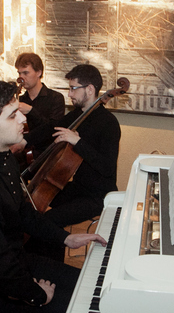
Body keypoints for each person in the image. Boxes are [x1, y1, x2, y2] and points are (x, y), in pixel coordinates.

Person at [0, 78, 106, 313]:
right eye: (12, 115)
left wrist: (66, 238)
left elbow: (24, 213)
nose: (22, 119)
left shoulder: (3, 157)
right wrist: (36, 294)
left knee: (98, 286)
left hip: (14, 263)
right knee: (94, 312)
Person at [20, 64, 121, 261]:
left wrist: (78, 142)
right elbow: (51, 128)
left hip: (98, 195)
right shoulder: (78, 115)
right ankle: (31, 261)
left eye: (74, 88)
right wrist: (24, 141)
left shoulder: (109, 123)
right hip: (78, 188)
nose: (70, 94)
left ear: (89, 89)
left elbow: (107, 168)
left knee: (49, 221)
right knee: (32, 207)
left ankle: (51, 268)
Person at [13, 53, 65, 168]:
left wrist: (31, 111)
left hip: (47, 158)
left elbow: (54, 129)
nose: (21, 78)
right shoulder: (20, 100)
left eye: (26, 73)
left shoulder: (55, 98)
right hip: (22, 159)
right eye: (19, 73)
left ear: (39, 72)